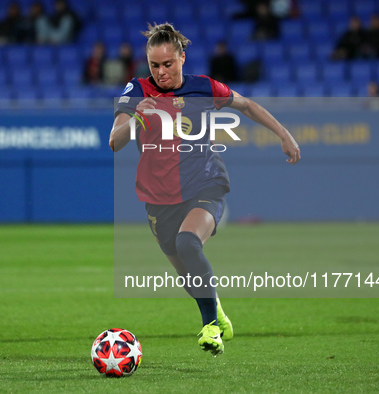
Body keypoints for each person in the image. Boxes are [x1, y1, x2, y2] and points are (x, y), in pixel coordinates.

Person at [109, 23, 300, 356]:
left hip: (205, 182)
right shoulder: (137, 90)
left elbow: (247, 105)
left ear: (183, 57)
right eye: (155, 65)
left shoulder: (204, 88)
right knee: (185, 269)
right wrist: (133, 117)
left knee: (188, 242)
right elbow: (114, 142)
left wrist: (284, 134)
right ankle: (218, 312)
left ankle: (210, 327)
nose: (161, 72)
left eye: (168, 64)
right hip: (158, 197)